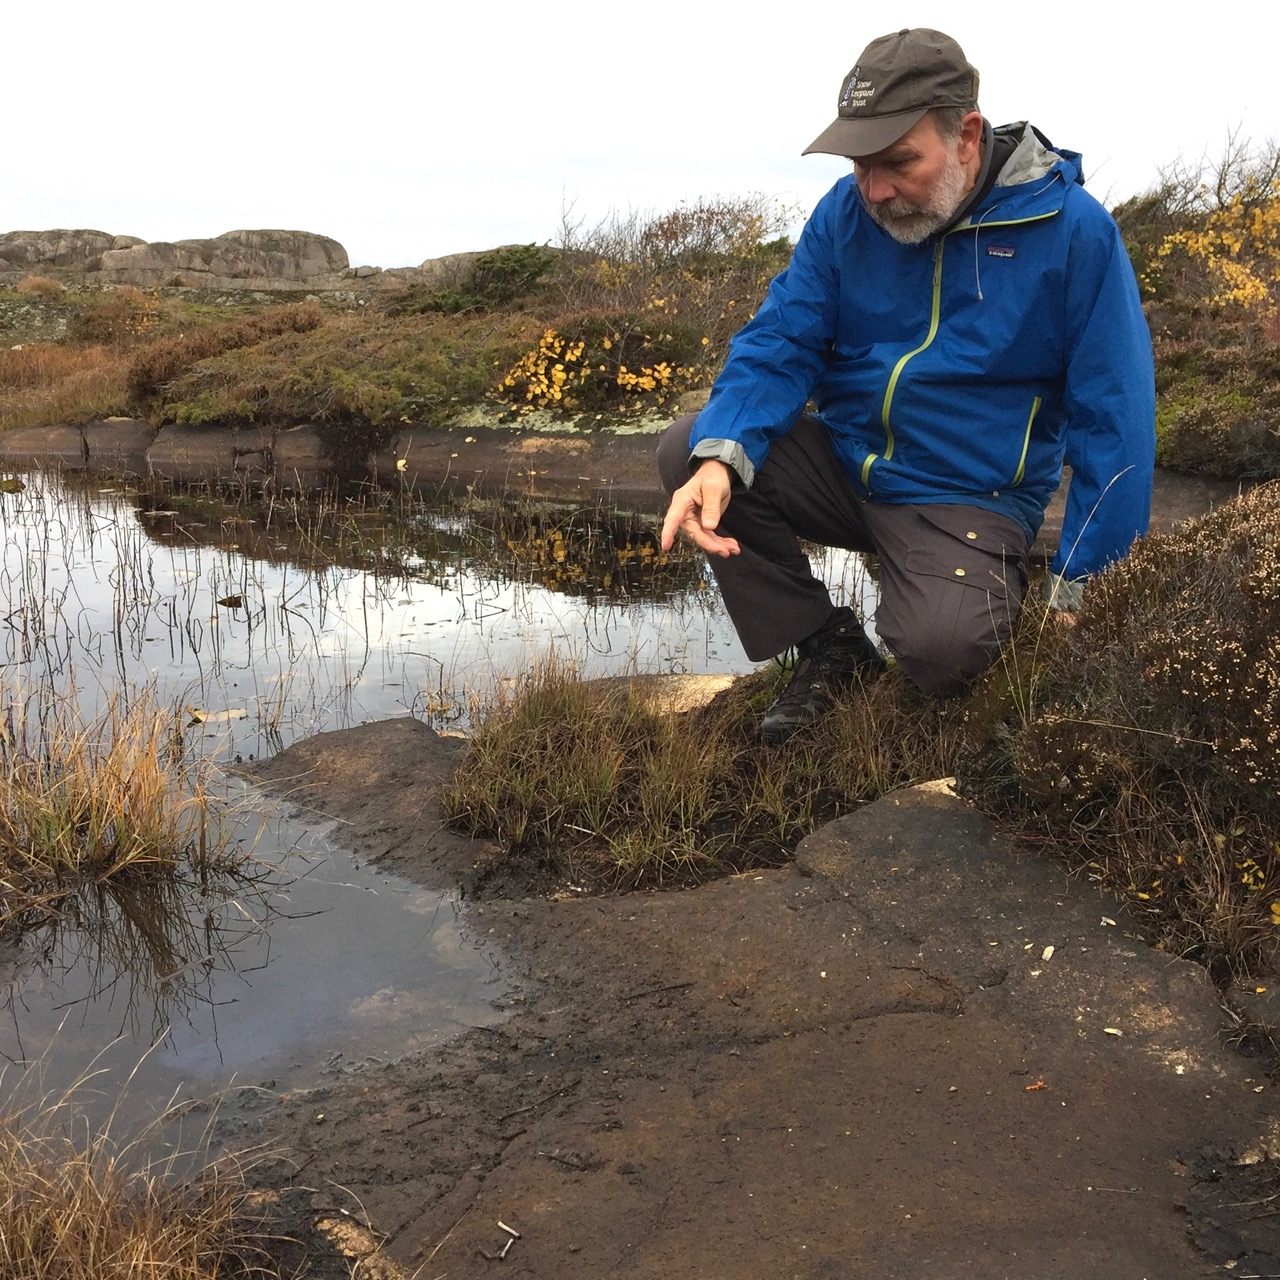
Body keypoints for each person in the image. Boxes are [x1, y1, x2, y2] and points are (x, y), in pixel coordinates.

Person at [657, 27, 1155, 743]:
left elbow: (1118, 418)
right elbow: (781, 340)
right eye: (861, 165)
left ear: (967, 135)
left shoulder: (1072, 232)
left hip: (965, 495)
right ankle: (828, 646)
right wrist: (721, 453)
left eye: (898, 163)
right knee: (694, 452)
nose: (875, 189)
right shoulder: (844, 213)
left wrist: (1085, 584)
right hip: (846, 463)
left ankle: (983, 584)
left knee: (941, 653)